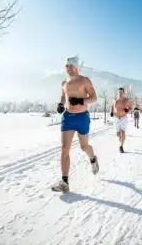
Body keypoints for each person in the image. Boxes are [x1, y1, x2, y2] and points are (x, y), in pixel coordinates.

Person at [51, 56, 99, 192]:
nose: (68, 68)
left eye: (70, 66)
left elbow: (94, 98)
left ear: (77, 67)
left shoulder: (84, 80)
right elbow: (63, 96)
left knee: (84, 146)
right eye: (66, 66)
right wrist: (60, 104)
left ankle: (93, 158)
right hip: (68, 117)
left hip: (82, 117)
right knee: (64, 149)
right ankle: (64, 182)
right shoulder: (64, 82)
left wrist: (80, 101)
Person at [110, 87, 132, 153]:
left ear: (123, 93)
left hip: (123, 118)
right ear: (117, 92)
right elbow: (112, 106)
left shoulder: (126, 100)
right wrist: (111, 112)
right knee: (118, 134)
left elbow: (131, 108)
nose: (120, 93)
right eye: (119, 92)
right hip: (116, 118)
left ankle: (121, 146)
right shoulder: (114, 100)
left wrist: (127, 110)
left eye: (121, 92)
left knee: (123, 132)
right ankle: (120, 138)